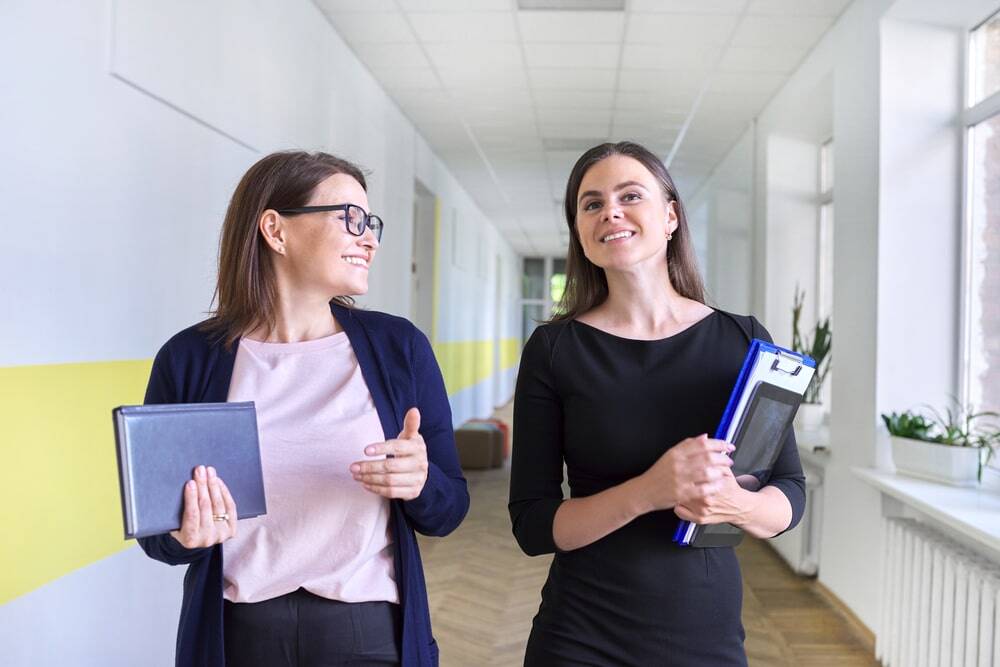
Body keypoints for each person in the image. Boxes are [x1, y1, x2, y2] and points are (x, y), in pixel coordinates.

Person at [138, 150, 469, 667]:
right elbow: (160, 536)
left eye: (371, 222)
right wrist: (184, 533)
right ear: (275, 230)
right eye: (350, 219)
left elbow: (450, 510)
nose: (370, 239)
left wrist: (420, 482)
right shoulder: (190, 359)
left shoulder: (398, 348)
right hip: (236, 636)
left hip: (368, 634)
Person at [508, 141, 806, 666]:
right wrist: (649, 491)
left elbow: (789, 492)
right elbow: (533, 524)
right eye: (591, 203)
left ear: (670, 216)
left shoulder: (741, 339)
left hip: (704, 632)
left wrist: (738, 506)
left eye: (630, 195)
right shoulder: (554, 349)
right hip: (581, 634)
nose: (611, 213)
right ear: (579, 229)